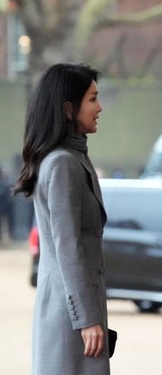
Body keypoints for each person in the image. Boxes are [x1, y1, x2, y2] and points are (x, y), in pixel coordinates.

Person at [13, 63, 110, 374]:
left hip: (72, 310)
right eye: (92, 99)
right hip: (71, 316)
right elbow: (67, 247)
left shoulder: (71, 158)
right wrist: (88, 319)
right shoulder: (63, 163)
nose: (100, 107)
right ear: (68, 109)